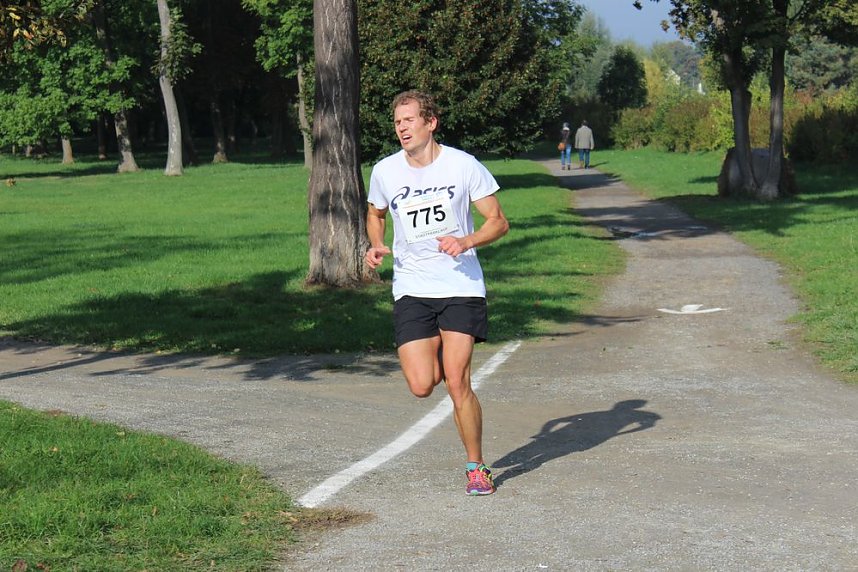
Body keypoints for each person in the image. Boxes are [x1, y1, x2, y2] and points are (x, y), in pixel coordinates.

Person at [365, 90, 509, 496]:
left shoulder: (464, 166)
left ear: (431, 123)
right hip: (412, 288)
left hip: (460, 286)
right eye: (397, 122)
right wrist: (375, 243)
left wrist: (466, 241)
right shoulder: (385, 171)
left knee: (457, 381)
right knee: (421, 383)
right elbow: (375, 213)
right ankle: (444, 367)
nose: (402, 127)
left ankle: (476, 467)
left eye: (409, 119)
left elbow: (498, 222)